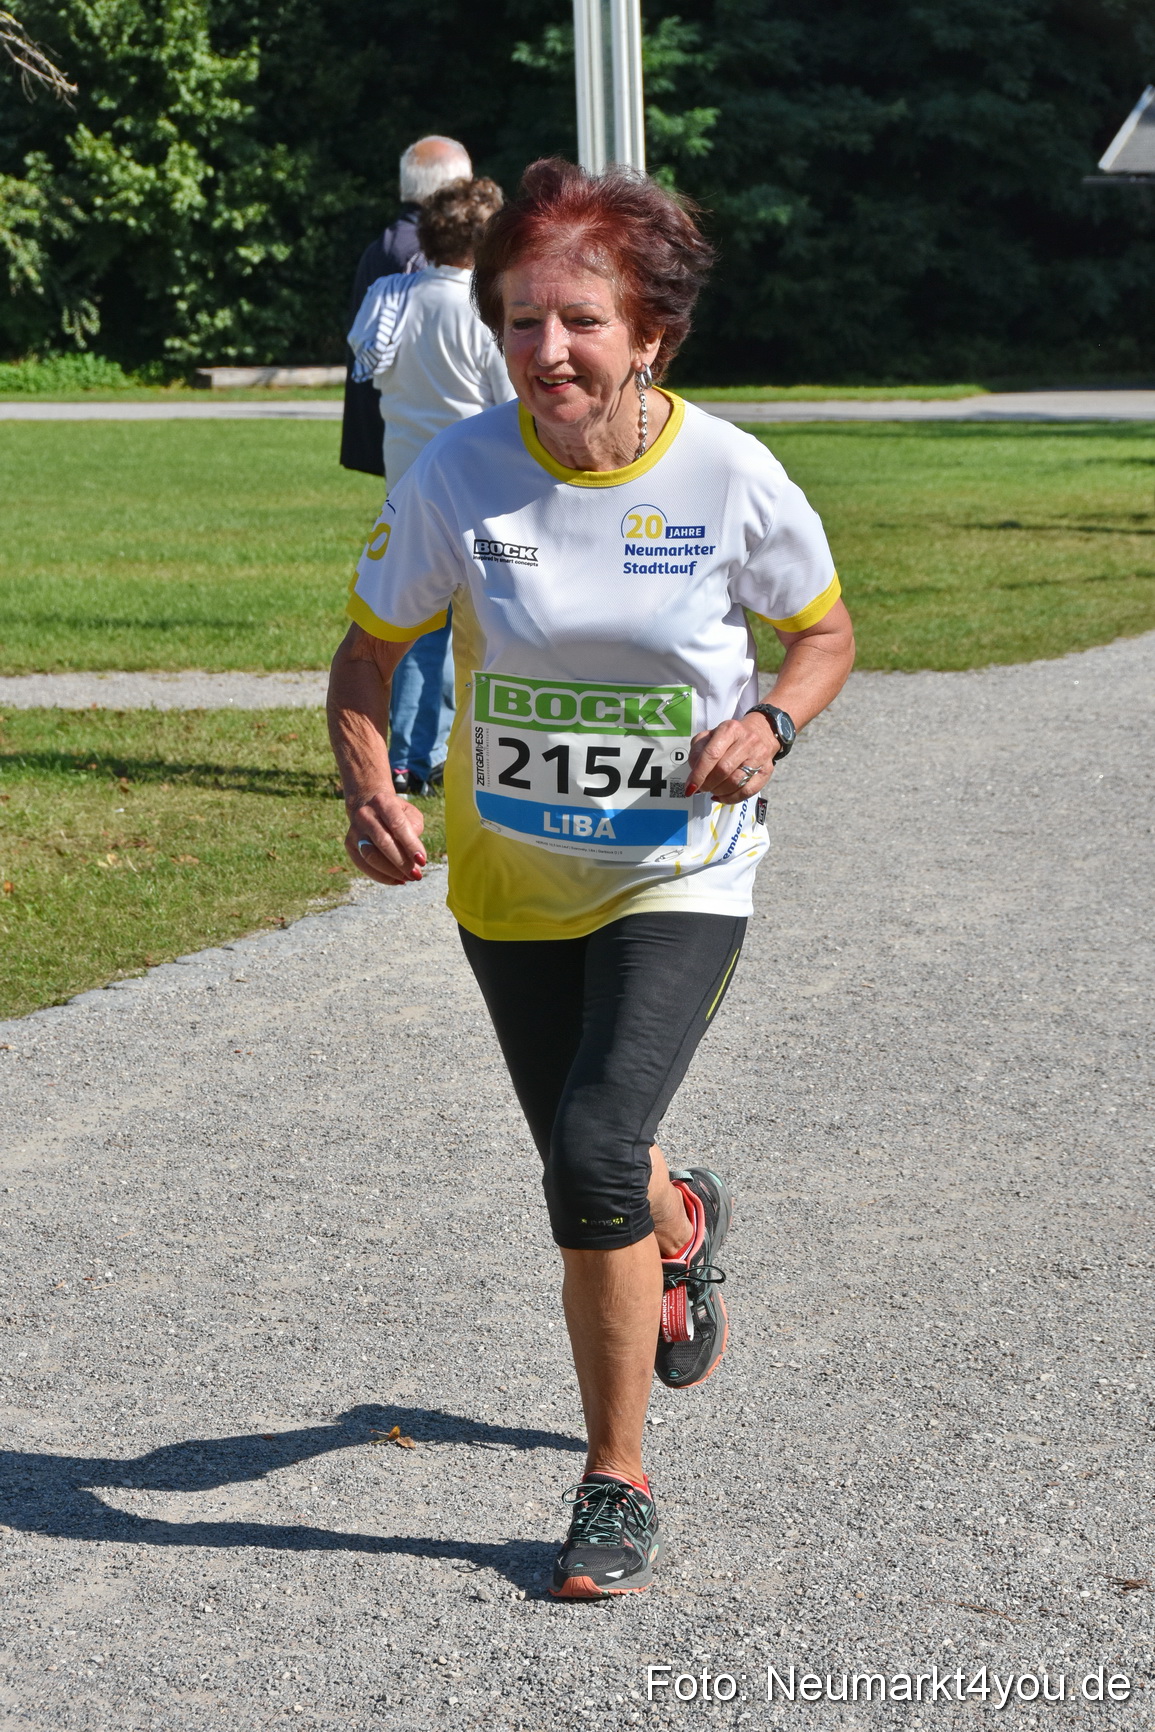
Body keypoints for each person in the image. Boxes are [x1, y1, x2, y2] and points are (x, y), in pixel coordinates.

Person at [327, 159, 856, 1599]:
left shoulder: (729, 475)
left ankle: (611, 1478)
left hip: (678, 869)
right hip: (509, 888)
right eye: (515, 321)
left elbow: (821, 633)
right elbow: (369, 655)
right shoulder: (458, 474)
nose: (543, 351)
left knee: (588, 1148)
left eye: (574, 321)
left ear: (646, 338)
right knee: (599, 1159)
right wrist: (370, 787)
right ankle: (681, 1224)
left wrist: (771, 722)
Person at [347, 176, 515, 795]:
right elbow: (511, 402)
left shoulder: (392, 298)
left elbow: (367, 369)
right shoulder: (484, 313)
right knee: (465, 631)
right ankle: (428, 755)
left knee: (410, 628)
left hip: (405, 483)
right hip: (476, 484)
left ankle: (407, 755)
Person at [339, 135, 472, 477]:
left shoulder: (390, 243)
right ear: (450, 189)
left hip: (402, 439)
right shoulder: (421, 255)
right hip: (426, 442)